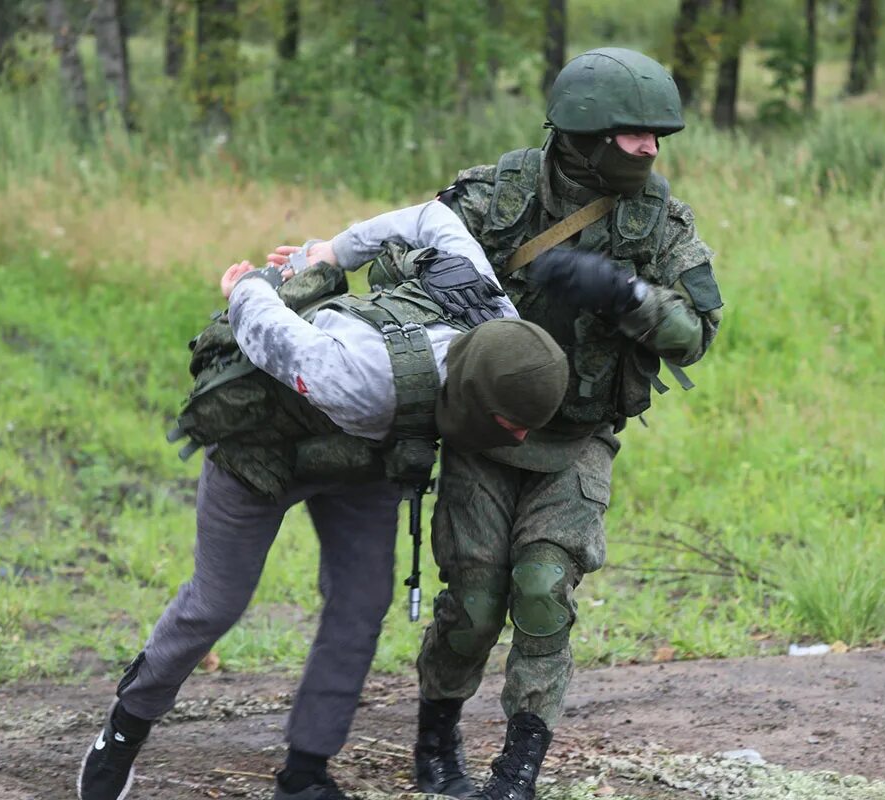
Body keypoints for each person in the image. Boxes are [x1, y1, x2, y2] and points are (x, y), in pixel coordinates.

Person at [76, 200, 570, 800]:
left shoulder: (492, 311)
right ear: (473, 395)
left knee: (362, 604)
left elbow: (436, 221)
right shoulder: (360, 376)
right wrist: (252, 285)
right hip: (263, 451)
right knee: (216, 603)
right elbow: (267, 332)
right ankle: (124, 728)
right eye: (509, 424)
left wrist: (334, 249)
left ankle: (305, 774)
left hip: (362, 461)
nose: (519, 437)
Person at [408, 48, 725, 800]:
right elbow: (403, 264)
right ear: (583, 132)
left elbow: (696, 334)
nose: (650, 148)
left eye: (658, 135)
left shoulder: (660, 225)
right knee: (476, 604)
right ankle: (435, 742)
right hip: (483, 434)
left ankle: (518, 772)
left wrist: (625, 294)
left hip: (578, 437)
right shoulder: (497, 196)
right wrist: (450, 282)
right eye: (632, 133)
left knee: (544, 592)